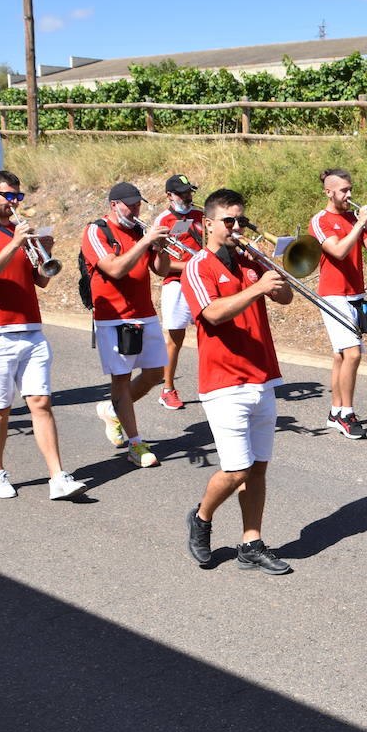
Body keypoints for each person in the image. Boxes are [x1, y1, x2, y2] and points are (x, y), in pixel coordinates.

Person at [181, 188, 295, 575]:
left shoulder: (249, 259)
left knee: (258, 468)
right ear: (207, 224)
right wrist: (257, 288)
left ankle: (251, 542)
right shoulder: (198, 266)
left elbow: (285, 299)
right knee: (236, 470)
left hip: (262, 376)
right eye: (228, 221)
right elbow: (212, 313)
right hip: (224, 381)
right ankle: (201, 516)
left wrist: (273, 274)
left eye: (240, 220)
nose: (235, 227)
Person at [0, 170, 86, 501]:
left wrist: (43, 250)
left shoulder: (21, 233)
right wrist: (14, 243)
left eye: (18, 197)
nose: (14, 203)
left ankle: (58, 476)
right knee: (0, 408)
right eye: (9, 196)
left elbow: (40, 280)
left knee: (41, 403)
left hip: (31, 329)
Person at [83, 182, 171, 468]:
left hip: (144, 312)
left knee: (155, 373)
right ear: (114, 205)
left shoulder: (140, 231)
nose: (135, 209)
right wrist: (146, 242)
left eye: (137, 204)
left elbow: (161, 270)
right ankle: (135, 444)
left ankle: (113, 410)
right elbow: (115, 269)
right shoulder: (97, 230)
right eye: (129, 205)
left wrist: (161, 248)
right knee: (121, 378)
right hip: (115, 318)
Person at [308, 167, 367, 439]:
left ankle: (335, 411)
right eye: (343, 190)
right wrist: (360, 224)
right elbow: (338, 251)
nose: (349, 195)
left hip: (355, 293)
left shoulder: (353, 217)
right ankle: (347, 414)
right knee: (353, 354)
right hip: (333, 294)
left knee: (341, 355)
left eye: (350, 189)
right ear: (329, 192)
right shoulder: (320, 220)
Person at [155, 174, 205, 410]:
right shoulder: (162, 221)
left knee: (210, 334)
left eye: (189, 192)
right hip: (176, 282)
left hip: (202, 281)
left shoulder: (201, 215)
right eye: (182, 193)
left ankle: (212, 384)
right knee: (175, 338)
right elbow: (159, 266)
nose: (187, 196)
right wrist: (190, 266)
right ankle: (167, 389)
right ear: (169, 195)